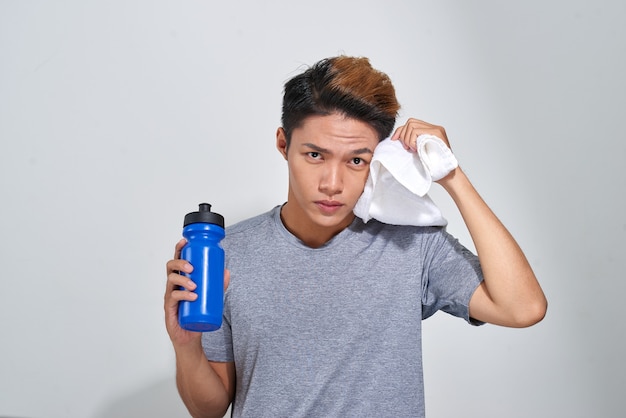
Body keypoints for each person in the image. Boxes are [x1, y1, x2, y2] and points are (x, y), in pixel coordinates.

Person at [164, 56, 547, 417]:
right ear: (284, 144)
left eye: (356, 161)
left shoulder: (412, 244)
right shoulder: (226, 253)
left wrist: (451, 175)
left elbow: (523, 308)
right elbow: (209, 409)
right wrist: (186, 347)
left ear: (377, 158)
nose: (332, 184)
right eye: (315, 155)